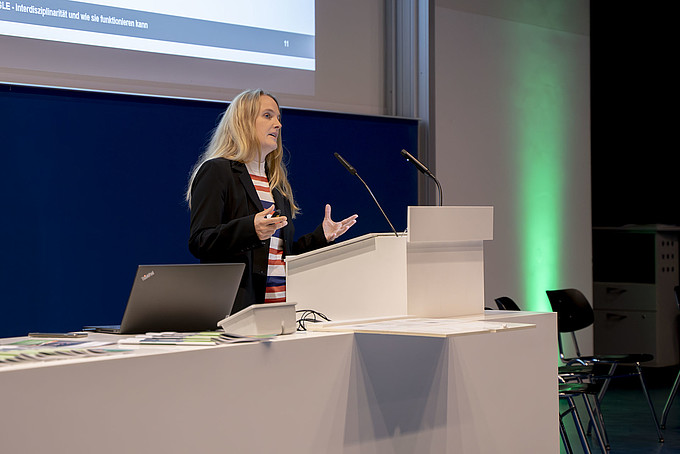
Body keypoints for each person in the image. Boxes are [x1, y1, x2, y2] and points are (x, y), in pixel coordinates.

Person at [186, 89, 357, 314]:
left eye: (278, 118)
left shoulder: (276, 185)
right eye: (267, 116)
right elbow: (201, 241)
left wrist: (320, 237)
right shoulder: (218, 171)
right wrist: (250, 229)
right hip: (238, 311)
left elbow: (279, 255)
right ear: (243, 121)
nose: (278, 124)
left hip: (280, 308)